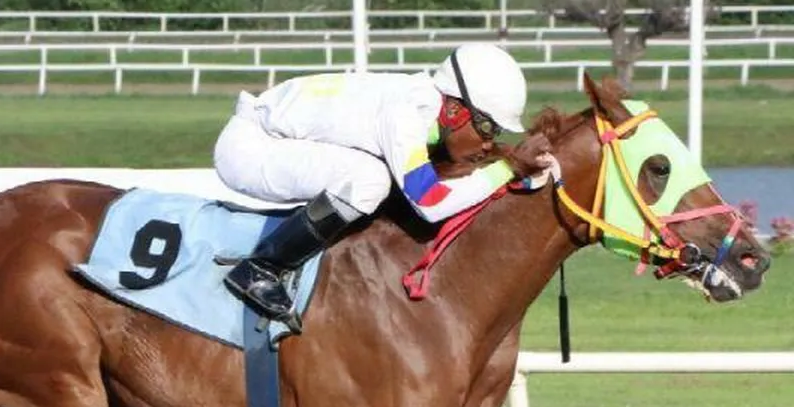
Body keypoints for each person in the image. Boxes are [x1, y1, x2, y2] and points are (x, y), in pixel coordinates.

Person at [213, 43, 555, 326]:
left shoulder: (421, 104)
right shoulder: (406, 115)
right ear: (454, 111)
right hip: (251, 149)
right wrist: (506, 168)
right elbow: (431, 203)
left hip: (274, 137)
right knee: (370, 179)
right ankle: (260, 268)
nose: (487, 142)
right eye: (487, 128)